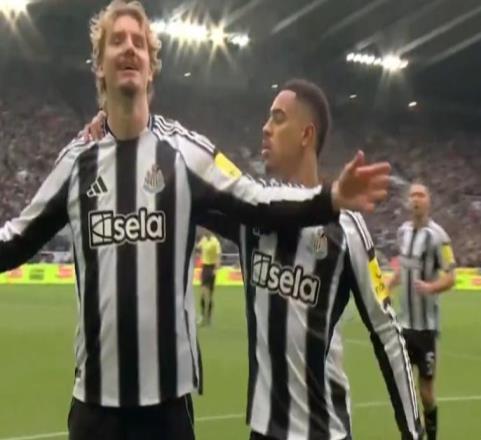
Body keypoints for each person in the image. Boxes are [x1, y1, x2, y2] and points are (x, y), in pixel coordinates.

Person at [0, 2, 392, 440]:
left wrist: (330, 197)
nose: (129, 48)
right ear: (99, 67)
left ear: (151, 69)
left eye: (138, 43)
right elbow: (15, 239)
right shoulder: (76, 162)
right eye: (117, 41)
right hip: (95, 408)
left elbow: (255, 199)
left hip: (167, 412)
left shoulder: (186, 154)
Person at [194, 79, 423, 439]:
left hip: (323, 432)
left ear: (306, 135)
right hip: (264, 431)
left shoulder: (346, 228)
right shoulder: (250, 213)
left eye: (278, 118)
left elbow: (387, 332)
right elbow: (189, 190)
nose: (265, 128)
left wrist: (414, 433)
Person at [387, 182, 456, 440]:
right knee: (403, 389)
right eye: (413, 195)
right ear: (408, 201)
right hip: (403, 326)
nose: (416, 199)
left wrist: (430, 287)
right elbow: (402, 268)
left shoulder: (439, 237)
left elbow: (451, 277)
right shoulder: (402, 232)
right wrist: (388, 285)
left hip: (426, 329)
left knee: (426, 392)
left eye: (421, 195)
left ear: (428, 201)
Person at [196, 229, 221, 326]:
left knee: (210, 296)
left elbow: (218, 256)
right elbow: (197, 247)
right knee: (202, 293)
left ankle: (209, 317)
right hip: (205, 267)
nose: (204, 231)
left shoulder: (215, 242)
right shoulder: (203, 240)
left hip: (211, 267)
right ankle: (202, 315)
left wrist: (216, 269)